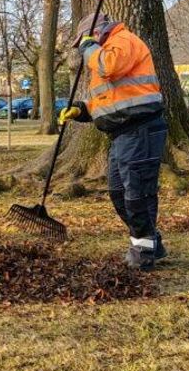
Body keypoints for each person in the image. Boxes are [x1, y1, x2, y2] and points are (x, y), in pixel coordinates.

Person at [58, 16, 169, 271]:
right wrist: (81, 110)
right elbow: (108, 99)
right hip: (121, 134)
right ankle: (151, 242)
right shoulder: (107, 51)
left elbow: (109, 67)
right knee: (119, 192)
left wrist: (88, 48)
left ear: (95, 33)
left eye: (84, 42)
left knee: (137, 193)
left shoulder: (123, 42)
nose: (83, 51)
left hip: (141, 129)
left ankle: (143, 251)